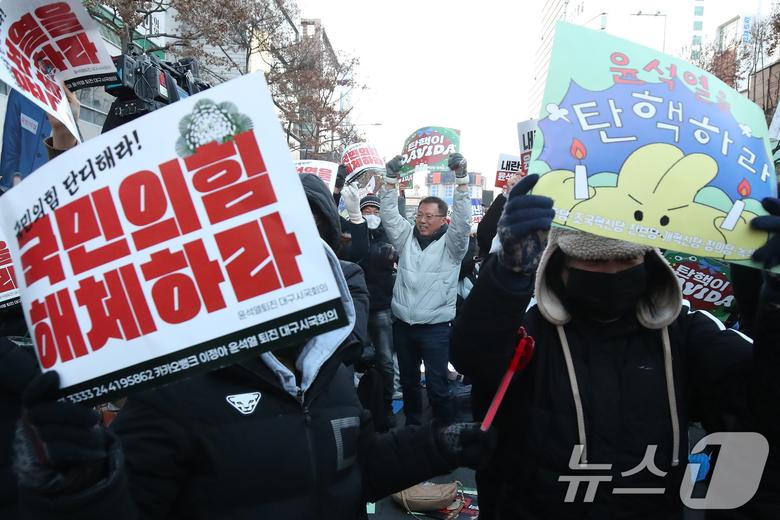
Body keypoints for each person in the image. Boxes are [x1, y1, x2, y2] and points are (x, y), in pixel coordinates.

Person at [451, 174, 780, 519]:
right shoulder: (529, 330)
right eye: (593, 261)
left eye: (626, 260)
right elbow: (472, 357)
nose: (611, 273)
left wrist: (774, 307)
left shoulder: (684, 331)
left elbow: (761, 402)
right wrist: (506, 276)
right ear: (561, 266)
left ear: (649, 264)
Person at [380, 153, 471, 426]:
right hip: (403, 326)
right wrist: (389, 181)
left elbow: (463, 224)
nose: (422, 220)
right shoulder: (405, 236)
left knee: (437, 386)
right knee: (409, 383)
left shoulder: (453, 246)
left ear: (443, 219)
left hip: (435, 329)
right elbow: (389, 216)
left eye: (429, 216)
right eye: (419, 214)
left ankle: (445, 434)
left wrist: (462, 181)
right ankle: (412, 429)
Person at [358, 194, 397, 429]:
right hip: (358, 307)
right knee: (356, 358)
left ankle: (387, 405)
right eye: (367, 211)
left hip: (381, 306)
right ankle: (360, 406)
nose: (371, 215)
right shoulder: (354, 233)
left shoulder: (389, 234)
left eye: (375, 211)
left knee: (385, 361)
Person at [0, 89, 52, 189]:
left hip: (48, 192)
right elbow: (10, 146)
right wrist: (7, 187)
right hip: (13, 187)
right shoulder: (20, 93)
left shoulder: (69, 109)